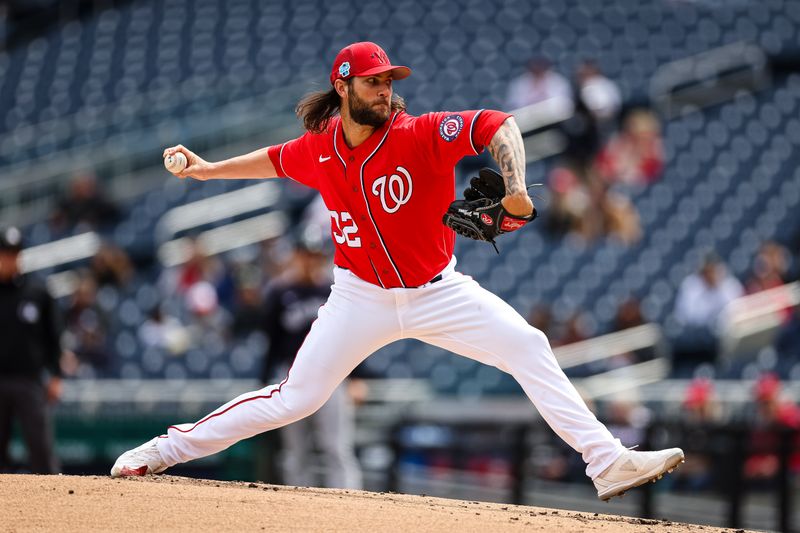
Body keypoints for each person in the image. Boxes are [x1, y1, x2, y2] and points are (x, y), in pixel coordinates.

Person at [111, 41, 683, 501]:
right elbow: (275, 158)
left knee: (528, 345)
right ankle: (163, 450)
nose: (386, 89)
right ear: (343, 87)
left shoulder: (420, 133)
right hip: (358, 297)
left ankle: (606, 461)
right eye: (374, 81)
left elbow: (499, 125)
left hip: (439, 290)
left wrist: (512, 187)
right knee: (297, 398)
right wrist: (208, 171)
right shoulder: (320, 148)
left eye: (389, 81)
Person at [260, 234, 363, 489]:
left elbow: (352, 336)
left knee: (336, 446)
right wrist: (264, 379)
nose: (310, 261)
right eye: (305, 254)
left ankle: (347, 502)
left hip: (332, 374)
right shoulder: (280, 292)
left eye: (315, 255)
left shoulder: (333, 291)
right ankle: (298, 507)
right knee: (296, 449)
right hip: (291, 375)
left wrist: (357, 376)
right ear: (296, 255)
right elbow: (272, 343)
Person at [0, 226, 63, 473]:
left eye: (14, 253)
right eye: (5, 253)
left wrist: (56, 375)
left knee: (41, 449)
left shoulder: (37, 292)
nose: (9, 259)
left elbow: (54, 335)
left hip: (29, 381)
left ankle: (54, 503)